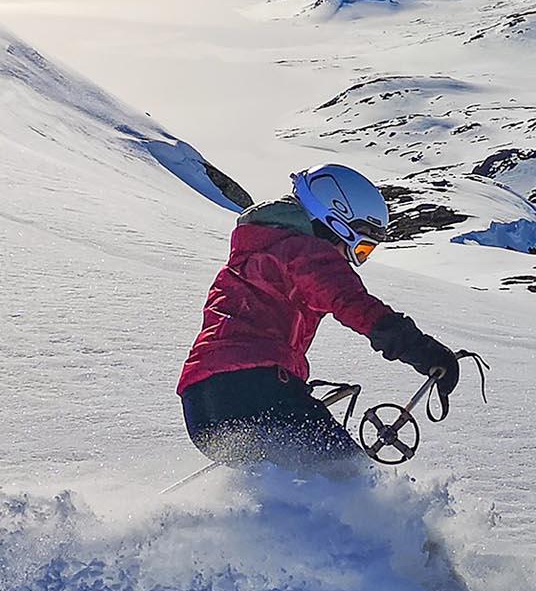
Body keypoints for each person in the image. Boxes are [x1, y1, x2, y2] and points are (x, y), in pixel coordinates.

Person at [178, 164, 463, 470]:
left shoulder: (253, 252)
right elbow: (352, 302)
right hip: (255, 389)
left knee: (286, 490)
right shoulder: (305, 251)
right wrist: (422, 351)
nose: (353, 260)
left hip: (202, 406)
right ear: (335, 222)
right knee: (351, 476)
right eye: (362, 248)